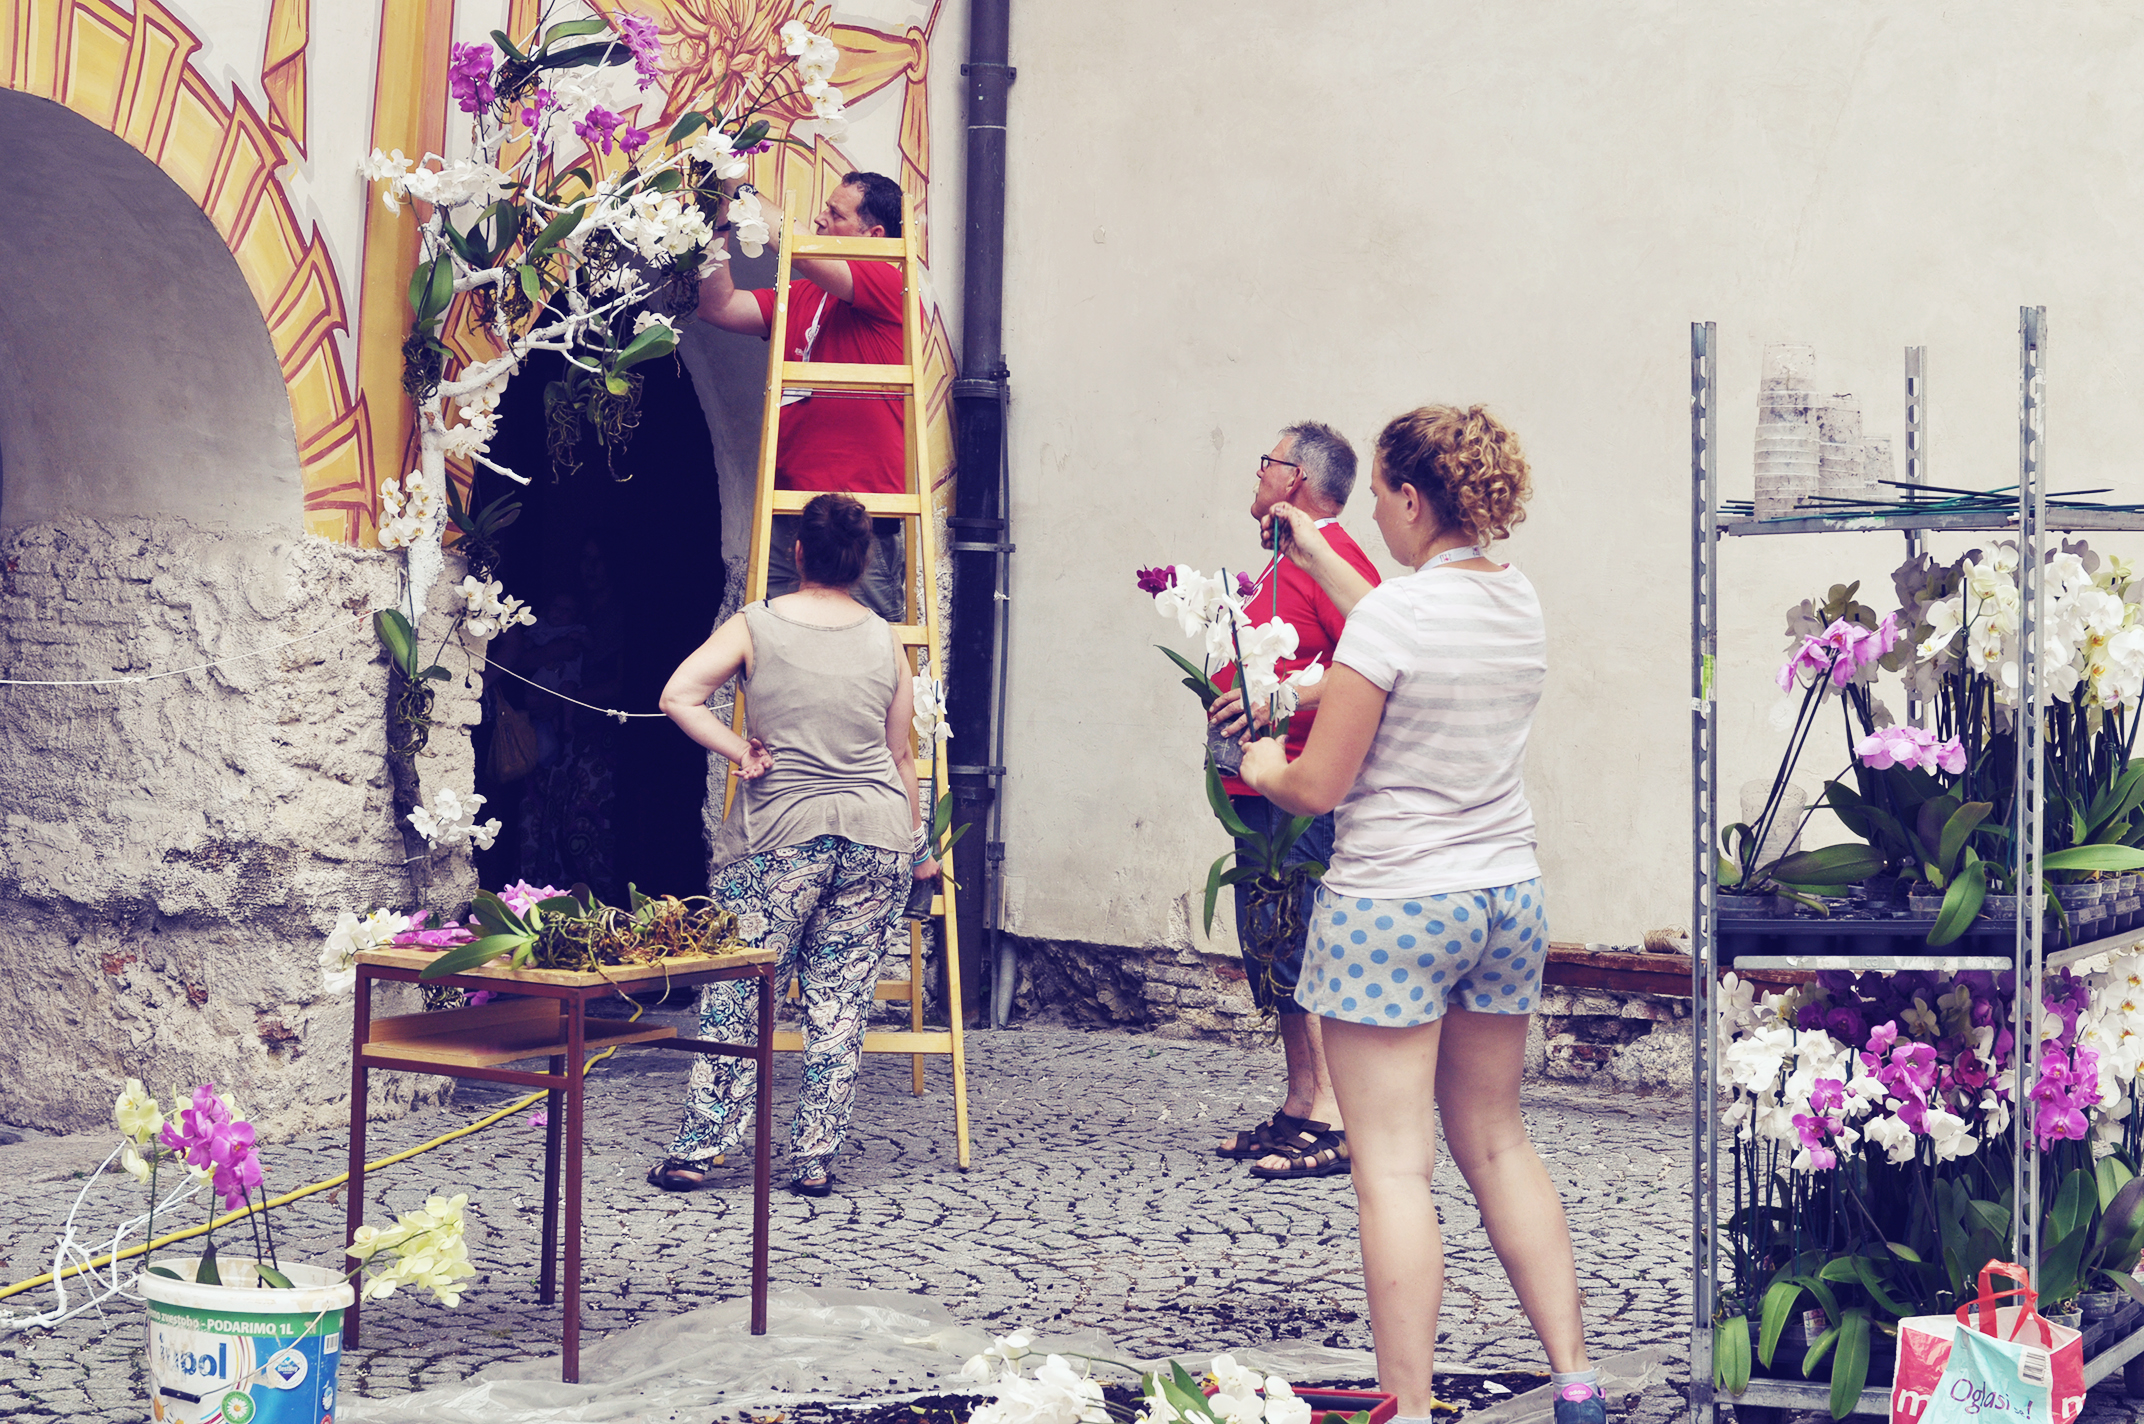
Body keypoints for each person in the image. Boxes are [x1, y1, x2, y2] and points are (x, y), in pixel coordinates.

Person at [1238, 407, 1601, 1424]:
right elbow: (1400, 624)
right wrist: (1312, 549)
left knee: (1393, 1169)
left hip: (1394, 904)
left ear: (1407, 497)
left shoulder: (1394, 618)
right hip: (1503, 897)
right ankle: (1575, 1378)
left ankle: (1403, 1402)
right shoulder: (1514, 597)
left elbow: (1317, 783)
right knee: (1498, 1142)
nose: (1372, 519)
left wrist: (1261, 762)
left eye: (1380, 499)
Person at [646, 493, 937, 1197]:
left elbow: (678, 696)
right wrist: (921, 848)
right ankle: (812, 1159)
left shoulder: (756, 624)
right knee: (841, 1004)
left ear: (798, 552)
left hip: (778, 839)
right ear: (863, 561)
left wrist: (739, 750)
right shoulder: (885, 640)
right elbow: (900, 754)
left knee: (740, 995)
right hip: (876, 840)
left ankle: (700, 1151)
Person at [1207, 422, 1380, 1181]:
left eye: (1268, 462)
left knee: (1302, 939)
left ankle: (1336, 1115)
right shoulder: (1286, 560)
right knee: (1272, 942)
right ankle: (1302, 1101)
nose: (1258, 472)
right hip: (1258, 783)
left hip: (1301, 790)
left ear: (1298, 479)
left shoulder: (1334, 559)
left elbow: (1369, 663)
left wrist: (1277, 701)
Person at [696, 172, 910, 622]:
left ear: (874, 237)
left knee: (863, 649)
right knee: (778, 642)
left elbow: (802, 249)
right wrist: (719, 225)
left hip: (859, 516)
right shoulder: (805, 293)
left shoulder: (889, 280)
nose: (820, 218)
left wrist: (739, 189)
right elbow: (720, 306)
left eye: (836, 213)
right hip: (791, 509)